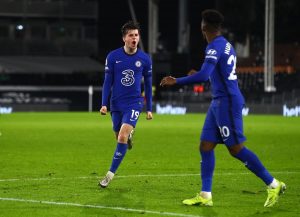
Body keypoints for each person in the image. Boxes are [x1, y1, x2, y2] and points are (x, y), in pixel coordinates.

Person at [160, 9, 285, 207]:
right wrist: (203, 73)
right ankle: (205, 195)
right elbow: (217, 73)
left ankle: (273, 184)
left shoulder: (213, 47)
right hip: (218, 101)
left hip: (226, 101)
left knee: (235, 149)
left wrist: (176, 80)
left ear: (203, 28)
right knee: (206, 145)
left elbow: (202, 76)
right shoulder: (226, 45)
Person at [99, 20, 153, 188]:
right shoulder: (113, 57)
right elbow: (107, 82)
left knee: (121, 136)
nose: (134, 38)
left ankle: (109, 175)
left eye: (136, 35)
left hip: (134, 103)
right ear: (124, 38)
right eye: (131, 35)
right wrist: (104, 104)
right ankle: (128, 136)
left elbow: (149, 85)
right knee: (119, 137)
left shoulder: (145, 59)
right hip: (116, 104)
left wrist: (149, 108)